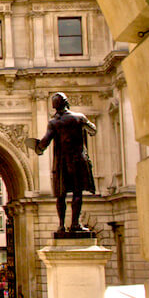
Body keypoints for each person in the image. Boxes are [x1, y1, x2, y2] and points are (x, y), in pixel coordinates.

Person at [31, 92, 97, 234]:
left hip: (62, 163)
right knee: (77, 192)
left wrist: (37, 147)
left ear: (55, 107)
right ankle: (75, 224)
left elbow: (45, 142)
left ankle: (61, 225)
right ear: (66, 103)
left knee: (60, 194)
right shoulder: (79, 117)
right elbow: (93, 130)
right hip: (78, 160)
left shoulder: (54, 123)